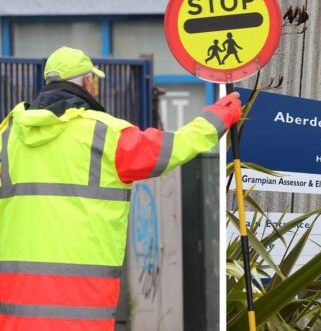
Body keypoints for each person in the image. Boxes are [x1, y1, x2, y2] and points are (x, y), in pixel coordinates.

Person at [0, 46, 241, 330]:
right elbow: (172, 148)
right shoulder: (105, 134)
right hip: (84, 311)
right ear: (88, 82)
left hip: (15, 313)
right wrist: (218, 118)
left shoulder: (7, 137)